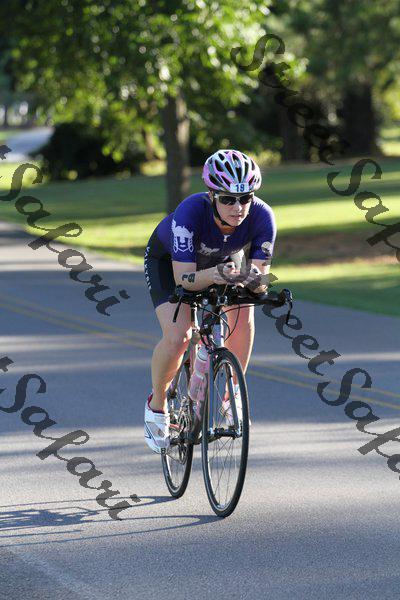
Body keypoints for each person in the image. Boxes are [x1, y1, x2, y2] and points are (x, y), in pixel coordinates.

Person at [143, 149, 276, 453]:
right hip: (172, 264)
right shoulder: (190, 212)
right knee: (179, 336)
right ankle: (157, 405)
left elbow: (260, 276)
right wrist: (215, 274)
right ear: (212, 195)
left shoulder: (263, 216)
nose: (238, 207)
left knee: (243, 313)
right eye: (228, 199)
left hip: (224, 261)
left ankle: (232, 395)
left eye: (245, 198)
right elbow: (184, 280)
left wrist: (254, 280)